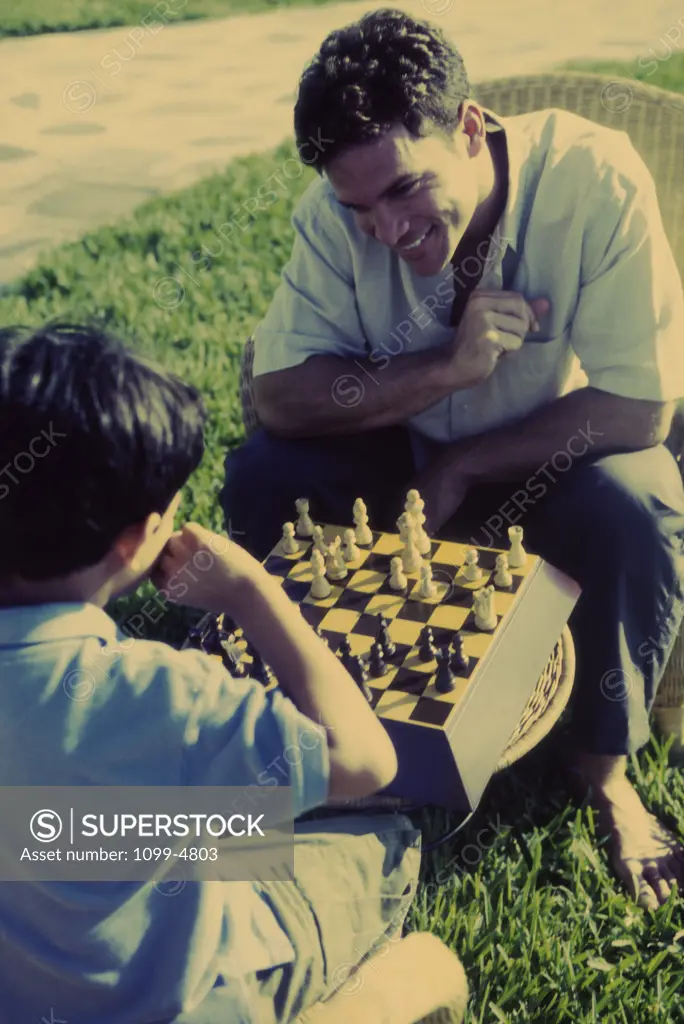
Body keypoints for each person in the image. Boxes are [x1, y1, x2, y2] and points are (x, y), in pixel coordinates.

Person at [221, 8, 684, 910]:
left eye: (404, 191)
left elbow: (639, 405)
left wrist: (467, 464)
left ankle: (604, 771)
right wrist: (446, 368)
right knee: (266, 474)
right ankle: (328, 724)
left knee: (639, 497)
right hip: (392, 459)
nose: (386, 232)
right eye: (360, 208)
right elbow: (279, 397)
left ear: (470, 129)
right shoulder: (337, 214)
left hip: (555, 454)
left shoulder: (595, 175)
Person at [0, 322, 422, 1023]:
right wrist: (253, 593)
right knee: (384, 840)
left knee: (67, 827)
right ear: (138, 537)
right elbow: (366, 759)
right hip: (185, 1000)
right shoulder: (157, 691)